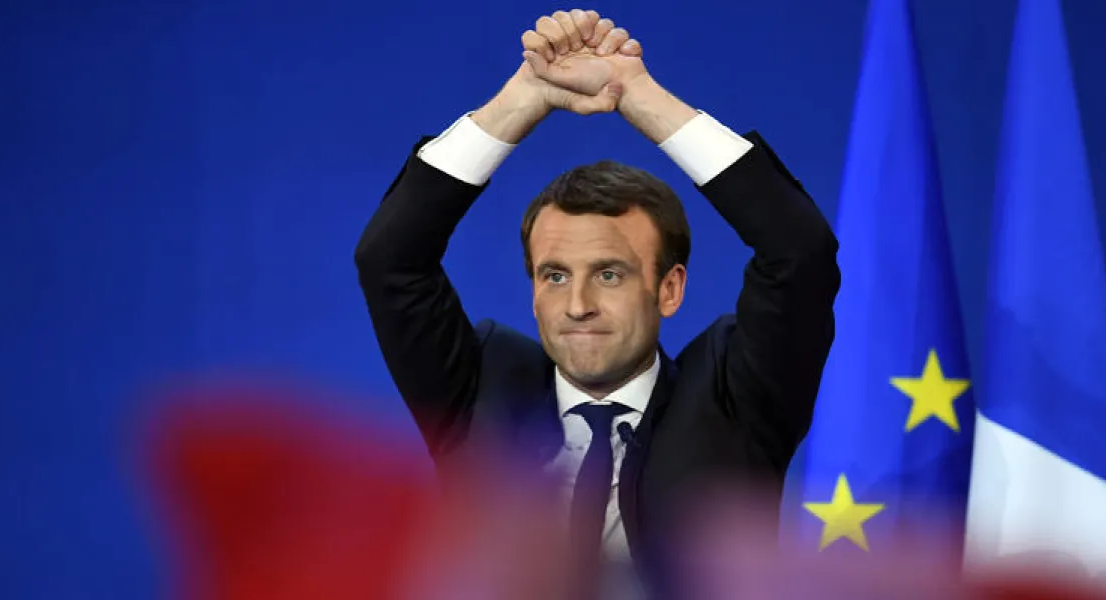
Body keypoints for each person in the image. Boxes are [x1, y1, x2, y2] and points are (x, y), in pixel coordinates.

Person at [354, 8, 840, 598]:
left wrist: (635, 93)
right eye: (555, 276)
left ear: (669, 288)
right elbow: (390, 258)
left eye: (609, 274)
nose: (577, 305)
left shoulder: (736, 398)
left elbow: (799, 250)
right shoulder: (481, 387)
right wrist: (524, 98)